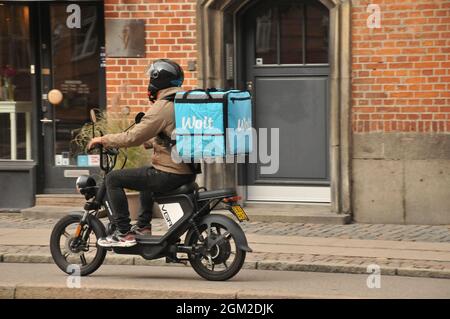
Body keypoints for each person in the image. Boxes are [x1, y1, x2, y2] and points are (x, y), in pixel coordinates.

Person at [88, 59, 196, 247]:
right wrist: (152, 142)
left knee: (113, 178)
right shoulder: (184, 101)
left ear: (158, 80)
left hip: (170, 173)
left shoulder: (163, 106)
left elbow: (133, 137)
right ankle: (144, 226)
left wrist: (103, 140)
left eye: (150, 78)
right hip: (186, 170)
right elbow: (175, 135)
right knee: (146, 175)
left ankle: (123, 232)